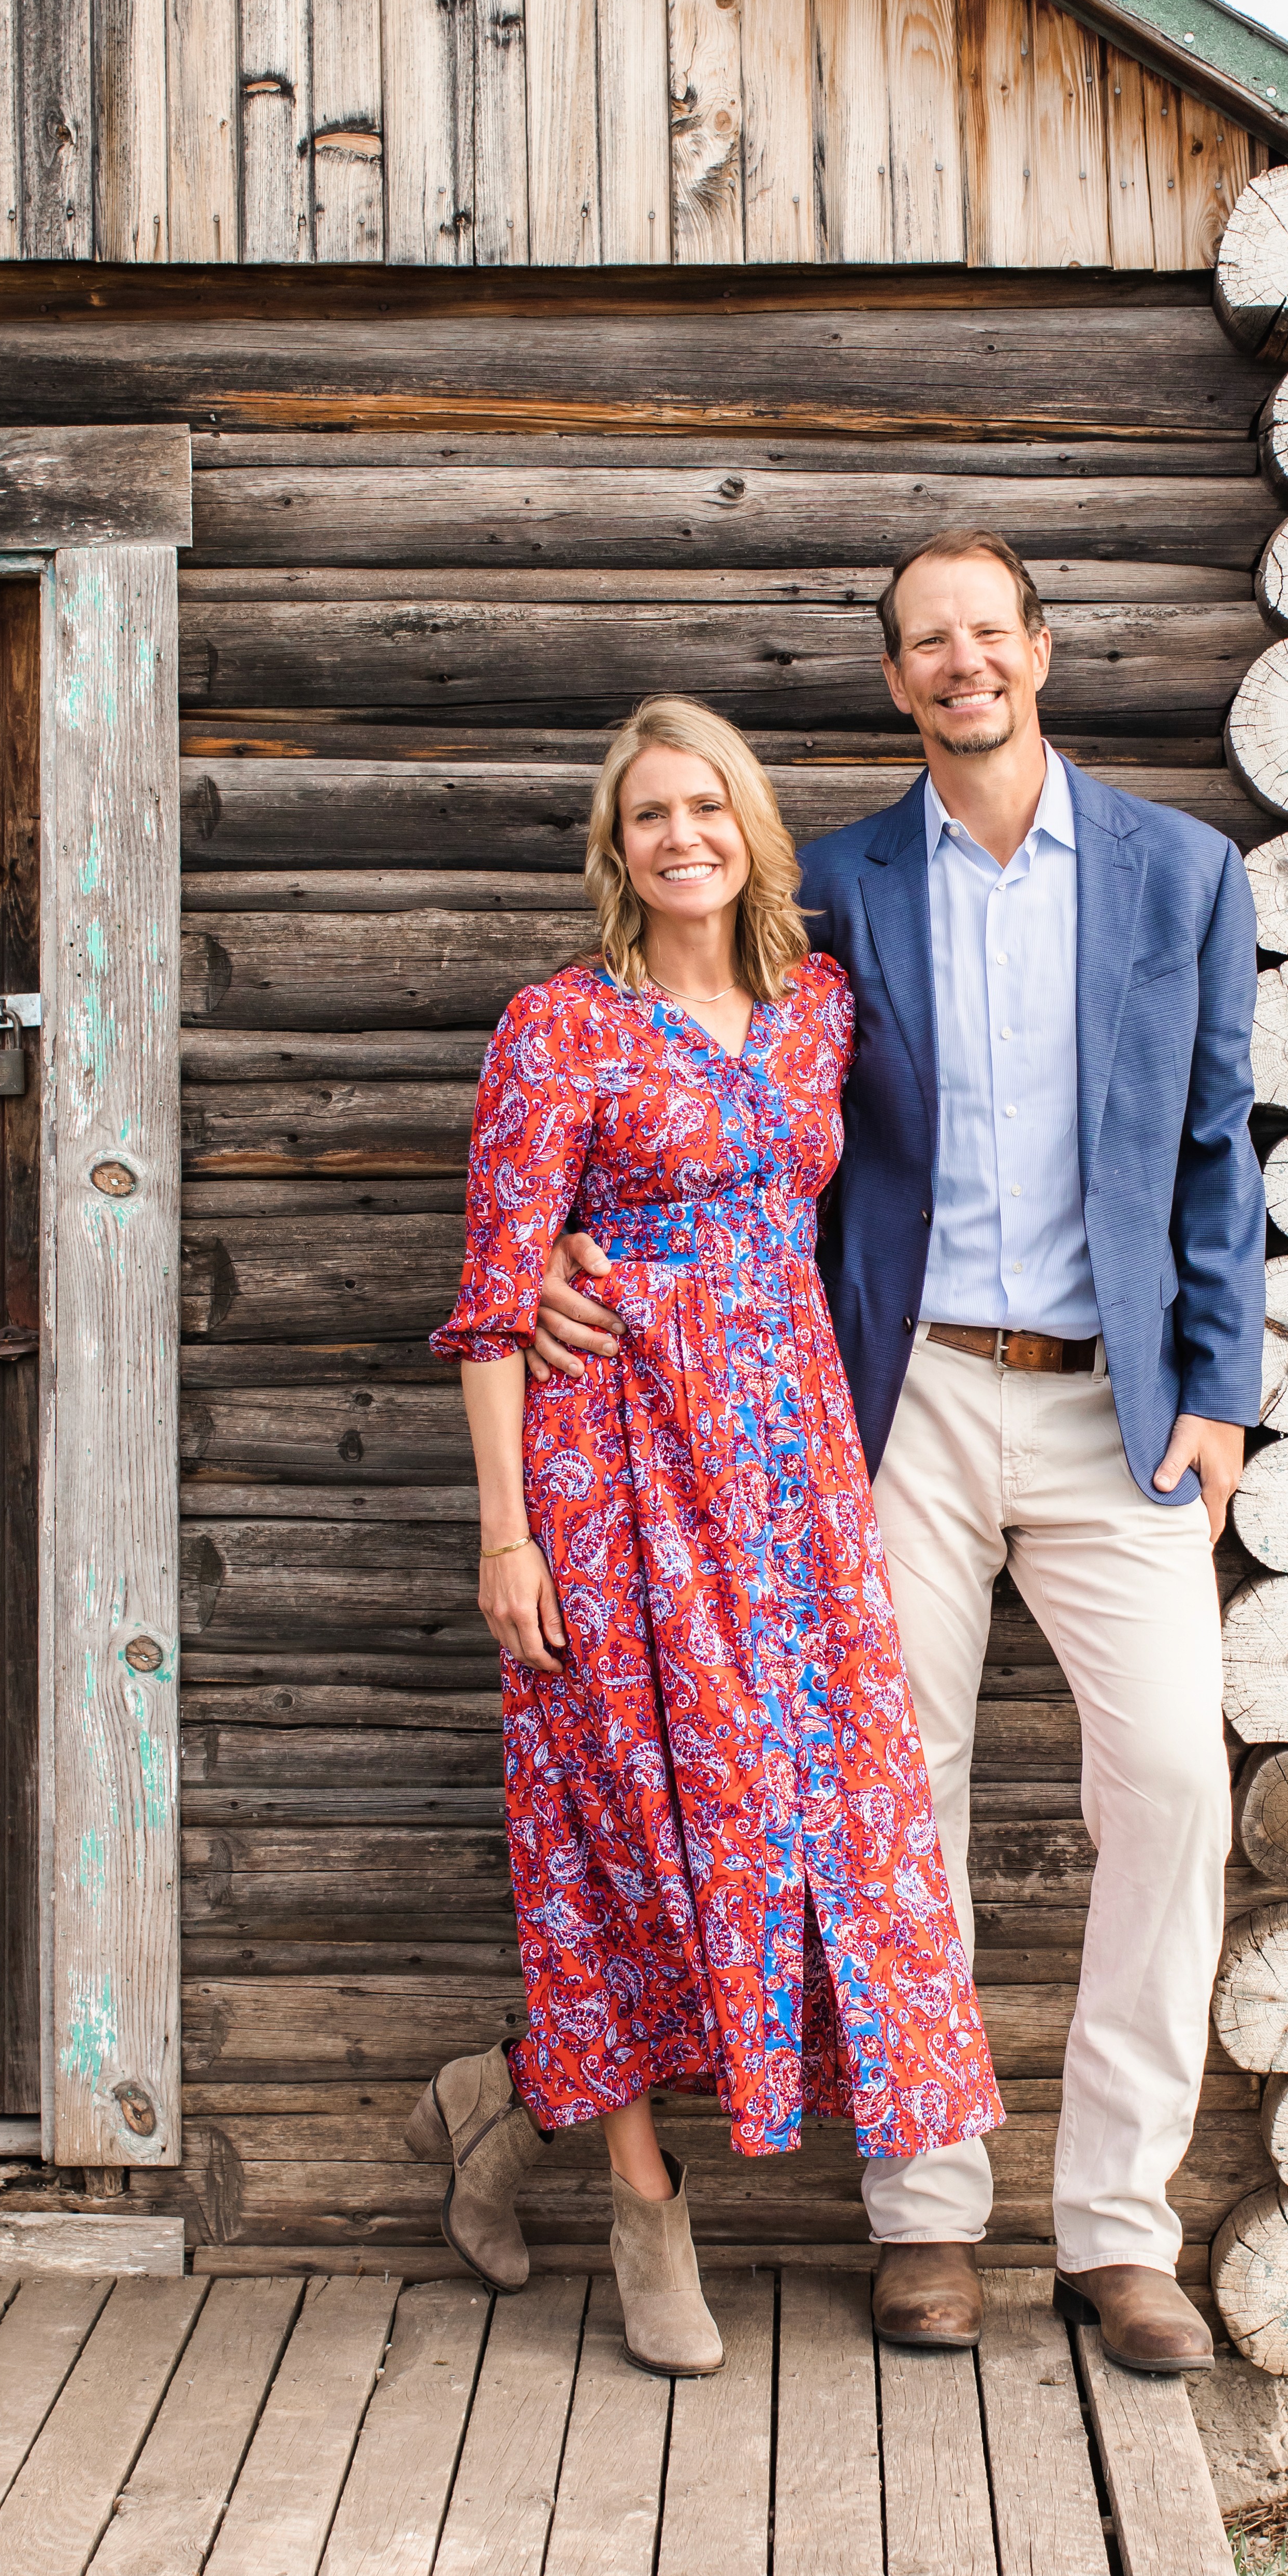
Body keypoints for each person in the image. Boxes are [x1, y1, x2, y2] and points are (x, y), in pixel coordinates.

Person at [527, 535, 1264, 2377]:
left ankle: (1116, 2230)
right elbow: (701, 1095)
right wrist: (548, 1251)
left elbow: (1218, 1148)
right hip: (904, 1395)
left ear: (1041, 652)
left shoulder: (1182, 875)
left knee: (1172, 1780)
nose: (962, 666)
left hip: (1123, 1408)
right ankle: (926, 2217)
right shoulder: (841, 889)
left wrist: (1225, 1385)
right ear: (896, 682)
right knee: (889, 1792)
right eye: (926, 644)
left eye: (987, 634)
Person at [416, 695, 1002, 2377]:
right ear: (617, 850)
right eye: (649, 815)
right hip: (612, 1481)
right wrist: (505, 1535)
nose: (681, 836)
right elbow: (492, 1304)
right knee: (625, 1825)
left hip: (794, 1487)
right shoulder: (562, 1030)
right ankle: (641, 2191)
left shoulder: (820, 1015)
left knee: (794, 1826)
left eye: (708, 808)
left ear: (751, 833)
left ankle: (503, 2105)